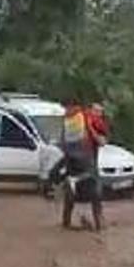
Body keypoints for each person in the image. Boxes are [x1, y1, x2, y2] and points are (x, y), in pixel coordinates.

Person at [54, 98, 107, 232]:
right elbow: (64, 139)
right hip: (74, 160)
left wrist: (90, 130)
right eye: (95, 110)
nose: (98, 113)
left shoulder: (95, 125)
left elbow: (102, 142)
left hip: (89, 163)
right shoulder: (74, 121)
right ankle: (66, 223)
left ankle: (98, 223)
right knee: (70, 194)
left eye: (100, 111)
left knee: (95, 195)